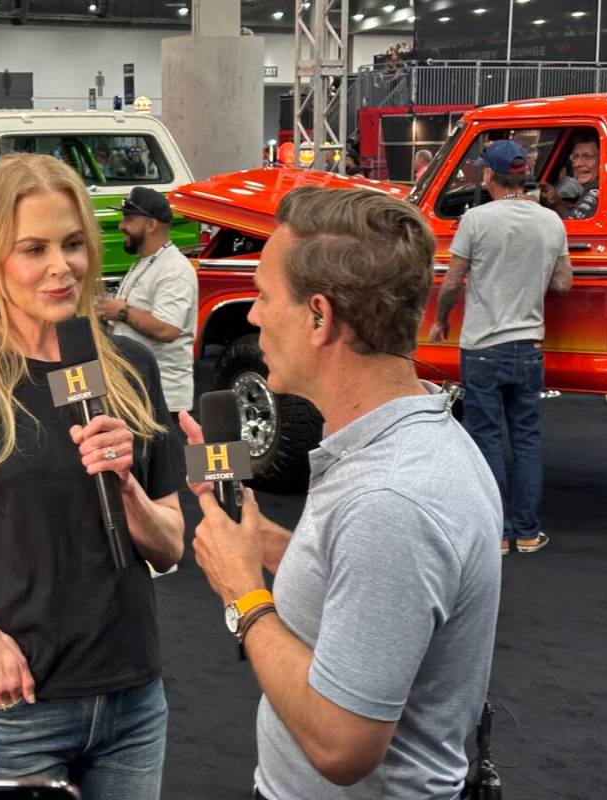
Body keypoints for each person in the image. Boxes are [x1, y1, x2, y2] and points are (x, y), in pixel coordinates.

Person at [181, 186, 501, 799]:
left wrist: (244, 595)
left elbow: (341, 744)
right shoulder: (411, 440)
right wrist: (274, 546)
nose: (252, 316)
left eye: (264, 297)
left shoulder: (388, 500)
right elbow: (364, 580)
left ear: (320, 316)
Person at [0, 153, 185, 799]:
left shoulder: (130, 367)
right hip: (17, 703)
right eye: (34, 249)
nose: (62, 267)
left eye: (73, 243)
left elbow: (168, 547)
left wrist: (127, 485)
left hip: (134, 699)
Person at [431, 139, 573, 555]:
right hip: (528, 346)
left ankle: (496, 535)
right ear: (523, 175)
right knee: (527, 437)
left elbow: (453, 281)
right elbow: (563, 283)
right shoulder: (551, 223)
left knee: (487, 439)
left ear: (489, 176)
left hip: (482, 349)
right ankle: (527, 532)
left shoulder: (476, 220)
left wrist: (441, 320)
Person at [96, 187, 198, 421]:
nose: (121, 225)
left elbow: (167, 329)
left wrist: (122, 312)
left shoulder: (174, 270)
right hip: (138, 391)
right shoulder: (146, 261)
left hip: (163, 399)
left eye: (129, 219)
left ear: (151, 225)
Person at [538, 129, 599, 220]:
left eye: (588, 157)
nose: (578, 163)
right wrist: (557, 203)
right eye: (575, 156)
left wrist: (533, 210)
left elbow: (573, 226)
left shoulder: (595, 191)